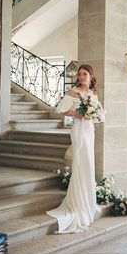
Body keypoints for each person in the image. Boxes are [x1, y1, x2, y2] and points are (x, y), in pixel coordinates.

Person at [46, 64, 104, 234]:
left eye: (84, 74)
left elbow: (98, 113)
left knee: (89, 163)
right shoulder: (73, 91)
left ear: (91, 76)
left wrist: (97, 115)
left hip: (89, 129)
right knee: (80, 162)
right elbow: (61, 109)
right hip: (78, 129)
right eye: (79, 74)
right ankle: (78, 203)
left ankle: (88, 201)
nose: (81, 77)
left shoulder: (93, 93)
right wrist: (77, 114)